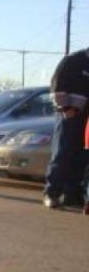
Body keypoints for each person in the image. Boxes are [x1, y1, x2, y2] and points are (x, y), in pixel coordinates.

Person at [43, 47, 89, 209]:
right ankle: (52, 193)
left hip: (87, 119)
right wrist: (65, 108)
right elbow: (57, 84)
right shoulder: (74, 60)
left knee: (81, 156)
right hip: (69, 115)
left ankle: (72, 195)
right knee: (62, 153)